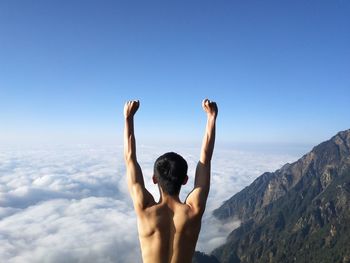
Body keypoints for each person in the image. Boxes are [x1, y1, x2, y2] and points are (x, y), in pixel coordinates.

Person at [123, 99, 218, 263]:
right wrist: (211, 117)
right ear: (185, 180)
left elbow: (129, 158)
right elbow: (206, 160)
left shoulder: (144, 209)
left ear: (154, 179)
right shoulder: (193, 210)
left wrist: (128, 118)